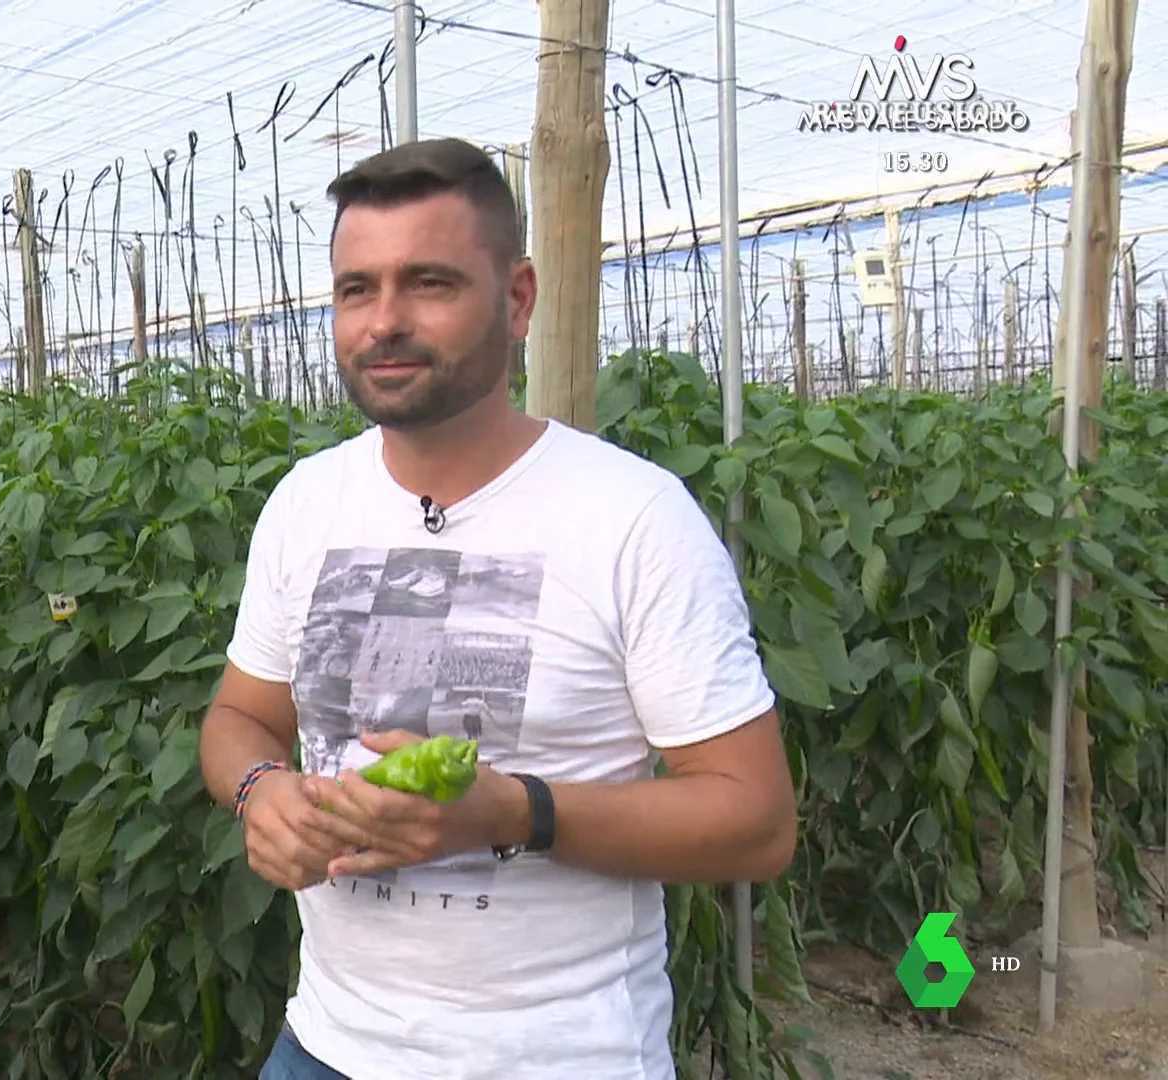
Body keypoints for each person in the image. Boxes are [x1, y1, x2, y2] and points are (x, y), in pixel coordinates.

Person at [196, 137, 797, 1079]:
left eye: (428, 283)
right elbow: (240, 716)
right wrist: (259, 792)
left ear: (517, 299)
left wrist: (512, 813)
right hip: (325, 1045)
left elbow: (757, 822)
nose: (383, 321)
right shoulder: (306, 505)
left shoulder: (631, 518)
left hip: (557, 1057)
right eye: (357, 289)